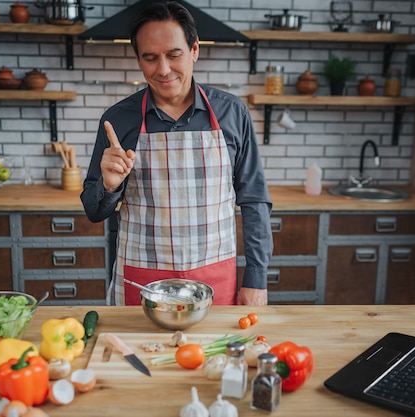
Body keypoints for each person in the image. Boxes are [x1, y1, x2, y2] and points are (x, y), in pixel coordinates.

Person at [81, 1, 272, 306]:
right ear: (138, 59)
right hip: (142, 282)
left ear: (194, 50)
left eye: (174, 55)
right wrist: (109, 186)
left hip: (215, 278)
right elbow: (94, 212)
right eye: (151, 58)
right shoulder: (118, 120)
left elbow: (254, 200)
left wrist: (256, 278)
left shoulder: (231, 113)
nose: (163, 69)